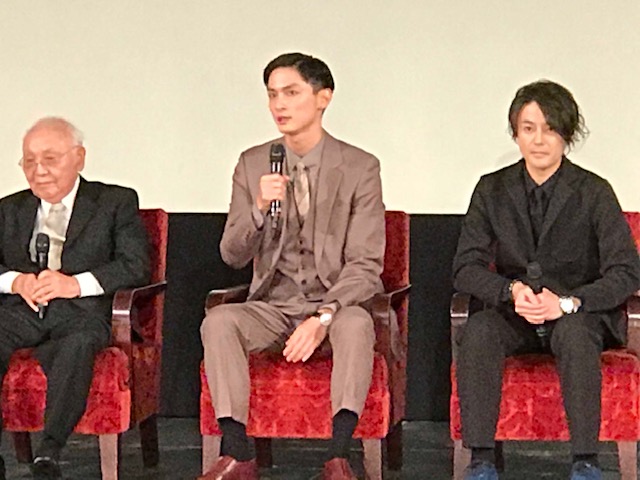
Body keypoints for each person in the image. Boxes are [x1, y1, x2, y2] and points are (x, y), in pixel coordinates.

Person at [199, 53, 385, 480]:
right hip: (273, 306)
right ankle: (237, 452)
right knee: (219, 321)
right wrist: (258, 207)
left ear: (323, 98)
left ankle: (338, 456)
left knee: (357, 325)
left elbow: (366, 265)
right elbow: (232, 254)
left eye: (291, 93)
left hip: (334, 305)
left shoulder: (359, 167)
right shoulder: (252, 163)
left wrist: (323, 316)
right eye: (272, 95)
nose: (279, 104)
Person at [453, 80, 640, 480]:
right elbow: (466, 267)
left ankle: (586, 462)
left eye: (550, 129)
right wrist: (511, 290)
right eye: (528, 128)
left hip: (576, 313)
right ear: (516, 134)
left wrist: (568, 303)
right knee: (479, 331)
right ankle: (482, 461)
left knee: (575, 335)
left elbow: (626, 271)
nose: (539, 140)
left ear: (566, 135)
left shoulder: (594, 192)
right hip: (515, 312)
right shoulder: (491, 189)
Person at [0, 117, 149, 480]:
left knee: (77, 345)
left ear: (79, 157)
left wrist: (76, 285)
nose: (39, 171)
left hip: (80, 311)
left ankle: (49, 452)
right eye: (29, 161)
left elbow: (135, 265)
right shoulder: (8, 208)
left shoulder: (114, 201)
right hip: (22, 309)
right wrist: (16, 281)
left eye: (50, 159)